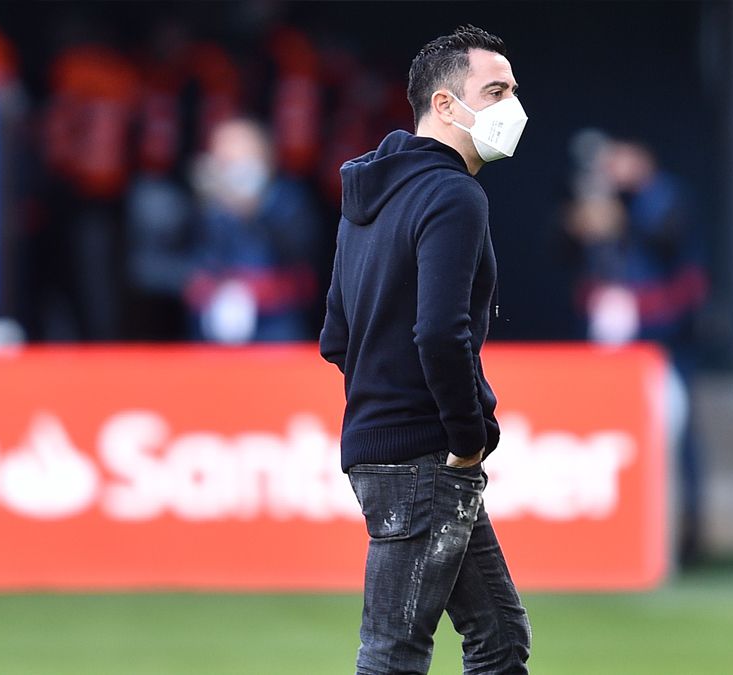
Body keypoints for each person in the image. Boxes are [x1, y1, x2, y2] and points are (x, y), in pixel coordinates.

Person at [319, 25, 531, 674]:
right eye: (494, 91)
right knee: (394, 650)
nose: (512, 108)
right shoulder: (452, 193)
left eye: (514, 92)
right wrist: (466, 437)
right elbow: (441, 331)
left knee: (498, 635)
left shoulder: (368, 196)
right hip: (427, 455)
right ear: (444, 105)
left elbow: (336, 336)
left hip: (381, 443)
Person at [564, 134, 709, 566]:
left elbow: (667, 240)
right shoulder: (603, 198)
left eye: (621, 156)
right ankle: (613, 530)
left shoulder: (666, 196)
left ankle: (686, 532)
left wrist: (619, 215)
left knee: (676, 430)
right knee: (608, 434)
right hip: (615, 343)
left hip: (666, 340)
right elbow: (572, 249)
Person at [184, 118, 317, 343]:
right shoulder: (206, 207)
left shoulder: (289, 200)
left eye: (239, 152)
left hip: (276, 326)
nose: (230, 160)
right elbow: (189, 261)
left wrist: (255, 206)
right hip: (213, 326)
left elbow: (300, 253)